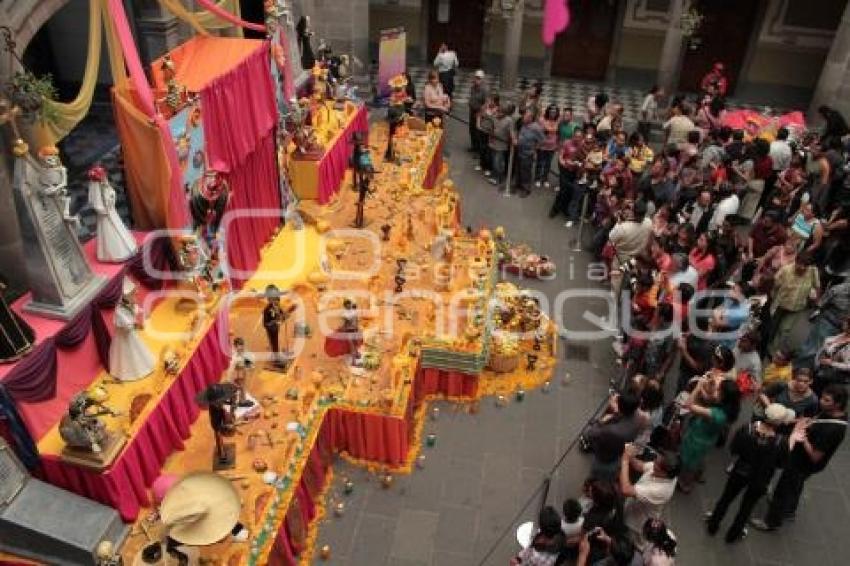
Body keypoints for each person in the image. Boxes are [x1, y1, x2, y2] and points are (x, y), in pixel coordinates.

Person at [752, 385, 848, 531]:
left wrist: (802, 436)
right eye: (822, 397)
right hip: (800, 458)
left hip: (803, 463)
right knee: (796, 486)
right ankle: (790, 510)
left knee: (784, 489)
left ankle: (771, 521)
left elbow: (815, 456)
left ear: (838, 404)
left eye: (826, 400)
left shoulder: (834, 429)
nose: (821, 401)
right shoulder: (829, 413)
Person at [705, 403, 794, 543]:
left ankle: (713, 525)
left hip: (740, 471)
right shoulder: (781, 442)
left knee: (726, 498)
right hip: (761, 479)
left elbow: (734, 449)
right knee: (747, 507)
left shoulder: (746, 429)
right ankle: (733, 535)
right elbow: (781, 464)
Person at [678, 378, 742, 492]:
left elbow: (688, 405)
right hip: (708, 437)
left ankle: (685, 484)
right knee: (698, 459)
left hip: (698, 439)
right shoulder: (729, 408)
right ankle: (697, 475)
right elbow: (709, 399)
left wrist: (697, 388)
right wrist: (704, 387)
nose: (716, 391)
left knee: (690, 463)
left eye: (719, 390)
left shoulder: (716, 414)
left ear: (724, 395)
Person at [618, 445, 680, 545]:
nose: (654, 462)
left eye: (656, 463)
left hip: (638, 520)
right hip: (635, 504)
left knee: (633, 540)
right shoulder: (663, 471)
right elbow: (641, 466)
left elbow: (626, 489)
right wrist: (630, 456)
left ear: (664, 473)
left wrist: (625, 460)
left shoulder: (660, 490)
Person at [584, 391, 647, 480]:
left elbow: (590, 434)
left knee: (597, 478)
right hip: (619, 452)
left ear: (620, 406)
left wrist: (601, 422)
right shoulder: (640, 418)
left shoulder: (612, 431)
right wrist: (617, 410)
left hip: (606, 458)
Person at [768, 253, 819, 355]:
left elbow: (817, 286)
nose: (802, 268)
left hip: (797, 307)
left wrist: (815, 298)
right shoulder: (785, 270)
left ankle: (773, 352)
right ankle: (767, 345)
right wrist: (772, 300)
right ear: (796, 262)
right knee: (772, 327)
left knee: (785, 330)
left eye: (805, 266)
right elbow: (774, 286)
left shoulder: (813, 271)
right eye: (800, 264)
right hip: (780, 305)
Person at [795, 282, 850, 369]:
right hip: (827, 323)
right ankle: (798, 372)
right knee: (811, 350)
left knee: (828, 356)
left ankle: (811, 375)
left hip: (844, 331)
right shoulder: (838, 290)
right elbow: (821, 304)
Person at [813, 318, 850, 394]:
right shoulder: (841, 335)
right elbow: (825, 348)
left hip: (832, 377)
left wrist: (831, 363)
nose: (843, 323)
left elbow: (848, 366)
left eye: (846, 323)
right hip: (821, 370)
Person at [516, 110, 545, 197]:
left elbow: (542, 140)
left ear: (530, 118)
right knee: (519, 169)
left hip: (528, 153)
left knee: (526, 171)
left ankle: (526, 189)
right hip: (520, 151)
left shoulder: (536, 128)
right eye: (524, 116)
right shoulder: (523, 125)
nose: (523, 118)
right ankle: (519, 185)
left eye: (526, 117)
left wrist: (535, 149)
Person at [488, 103, 516, 188]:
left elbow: (512, 132)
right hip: (493, 143)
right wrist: (490, 137)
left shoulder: (509, 121)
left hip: (502, 145)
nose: (498, 114)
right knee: (494, 161)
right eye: (498, 112)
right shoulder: (494, 117)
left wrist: (513, 139)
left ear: (505, 113)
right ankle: (494, 174)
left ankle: (498, 178)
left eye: (501, 113)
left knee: (498, 162)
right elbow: (492, 128)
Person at [536, 105, 560, 188]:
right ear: (548, 111)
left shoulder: (557, 121)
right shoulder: (542, 120)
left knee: (548, 164)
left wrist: (557, 144)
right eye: (551, 111)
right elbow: (539, 131)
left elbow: (557, 133)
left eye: (554, 111)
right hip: (542, 145)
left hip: (552, 146)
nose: (552, 113)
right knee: (540, 163)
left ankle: (545, 179)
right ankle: (538, 178)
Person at [468, 69, 488, 154]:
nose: (477, 80)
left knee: (478, 131)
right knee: (471, 129)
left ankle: (479, 149)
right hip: (472, 110)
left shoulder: (485, 90)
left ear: (482, 79)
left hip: (479, 112)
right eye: (476, 78)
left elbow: (486, 103)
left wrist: (480, 113)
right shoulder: (473, 87)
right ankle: (474, 146)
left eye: (479, 78)